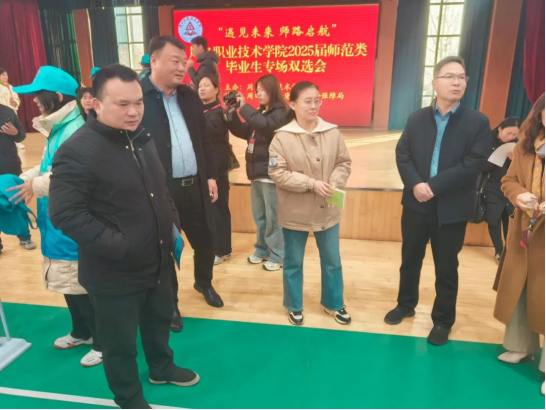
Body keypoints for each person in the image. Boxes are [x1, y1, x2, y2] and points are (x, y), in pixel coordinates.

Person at [49, 64, 200, 410]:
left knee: (159, 322)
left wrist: (172, 225)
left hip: (158, 260)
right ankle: (129, 398)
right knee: (119, 344)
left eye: (138, 102)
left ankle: (161, 368)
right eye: (122, 104)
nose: (133, 111)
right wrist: (121, 246)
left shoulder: (141, 138)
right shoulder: (77, 150)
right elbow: (66, 214)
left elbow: (160, 190)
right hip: (114, 271)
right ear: (95, 103)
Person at [385, 56, 492, 346]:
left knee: (446, 266)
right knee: (410, 259)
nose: (457, 82)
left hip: (452, 207)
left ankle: (443, 320)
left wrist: (431, 186)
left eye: (462, 77)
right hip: (416, 203)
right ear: (435, 82)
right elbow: (403, 154)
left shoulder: (477, 122)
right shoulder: (416, 118)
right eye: (450, 76)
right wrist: (416, 184)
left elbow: (473, 164)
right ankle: (405, 304)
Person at [7, 66, 101, 367]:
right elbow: (49, 165)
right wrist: (25, 178)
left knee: (79, 284)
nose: (34, 100)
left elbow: (68, 176)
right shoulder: (60, 128)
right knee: (66, 282)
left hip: (71, 222)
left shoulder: (75, 130)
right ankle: (81, 332)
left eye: (38, 94)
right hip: (56, 221)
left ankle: (102, 342)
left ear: (58, 97)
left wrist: (33, 186)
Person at [141, 36, 224, 326]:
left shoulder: (189, 96)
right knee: (166, 249)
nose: (182, 67)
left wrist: (210, 176)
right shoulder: (139, 98)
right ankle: (171, 304)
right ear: (154, 61)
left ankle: (203, 282)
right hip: (162, 191)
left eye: (183, 61)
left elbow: (204, 140)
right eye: (174, 61)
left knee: (207, 240)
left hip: (195, 186)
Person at [269, 82, 352, 326]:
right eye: (308, 101)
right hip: (295, 212)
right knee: (293, 262)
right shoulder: (281, 138)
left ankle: (333, 303)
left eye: (317, 100)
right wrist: (311, 183)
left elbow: (343, 162)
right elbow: (277, 173)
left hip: (327, 210)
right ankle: (294, 305)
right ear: (293, 105)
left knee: (332, 262)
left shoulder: (332, 133)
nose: (314, 105)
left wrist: (335, 182)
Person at [494, 94, 545, 397]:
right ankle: (520, 346)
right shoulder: (526, 144)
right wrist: (520, 196)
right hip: (525, 229)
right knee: (521, 289)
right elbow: (508, 181)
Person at [228, 74, 288, 272]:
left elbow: (265, 126)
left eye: (262, 89)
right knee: (260, 217)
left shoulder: (280, 112)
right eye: (257, 90)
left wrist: (245, 107)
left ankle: (278, 255)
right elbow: (244, 131)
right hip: (256, 173)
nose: (258, 93)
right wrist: (231, 113)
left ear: (272, 90)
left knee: (273, 218)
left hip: (271, 174)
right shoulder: (261, 113)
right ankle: (262, 250)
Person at [198, 74, 239, 265]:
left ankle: (222, 250)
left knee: (219, 207)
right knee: (209, 208)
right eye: (200, 85)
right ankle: (215, 247)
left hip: (217, 166)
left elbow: (210, 131)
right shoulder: (200, 111)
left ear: (216, 90)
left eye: (207, 85)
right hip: (203, 166)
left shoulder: (220, 112)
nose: (202, 88)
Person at [0, 102, 36, 254]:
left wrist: (15, 132)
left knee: (17, 202)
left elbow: (21, 135)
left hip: (9, 166)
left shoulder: (7, 111)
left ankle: (24, 236)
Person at [484, 117, 520, 263]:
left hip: (510, 187)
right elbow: (480, 167)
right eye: (508, 133)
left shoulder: (517, 145)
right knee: (493, 219)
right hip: (491, 186)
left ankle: (508, 251)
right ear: (500, 128)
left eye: (514, 135)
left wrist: (515, 160)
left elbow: (520, 170)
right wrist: (496, 158)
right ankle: (499, 250)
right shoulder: (487, 141)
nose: (511, 137)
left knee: (509, 219)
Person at [0, 68, 24, 150]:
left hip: (12, 111)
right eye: (3, 75)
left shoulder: (10, 87)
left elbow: (16, 98)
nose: (6, 77)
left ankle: (17, 142)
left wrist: (15, 102)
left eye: (6, 75)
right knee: (5, 127)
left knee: (14, 126)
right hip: (4, 112)